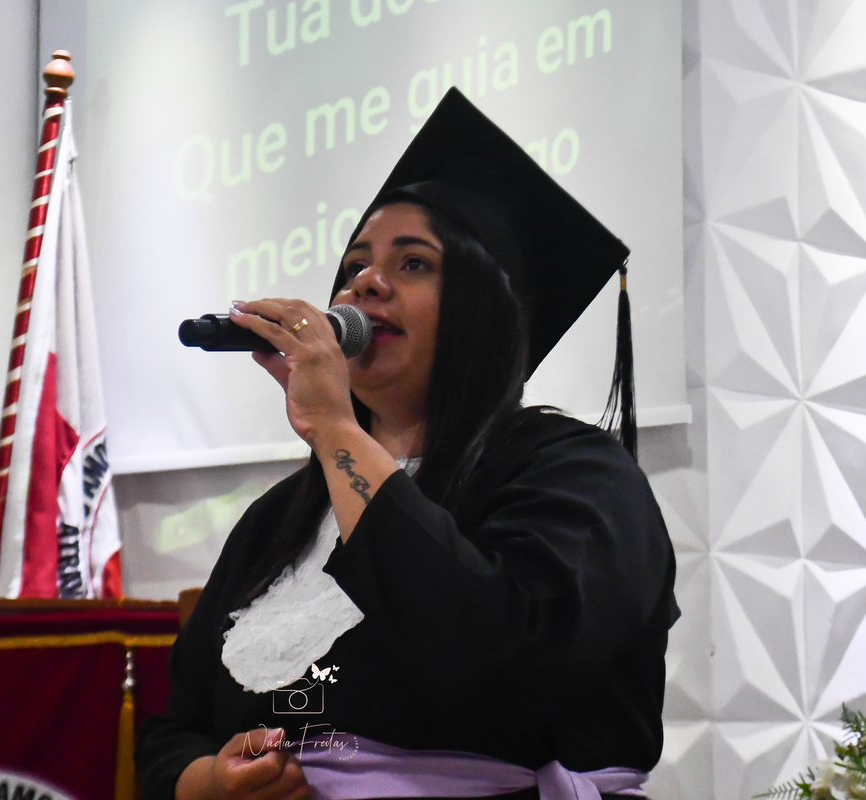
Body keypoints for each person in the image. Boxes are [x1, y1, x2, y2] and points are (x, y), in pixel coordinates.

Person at [136, 88, 679, 800]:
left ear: (490, 309)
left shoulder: (575, 474)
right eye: (355, 263)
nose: (367, 281)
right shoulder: (281, 517)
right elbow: (176, 728)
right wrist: (209, 781)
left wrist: (335, 428)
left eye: (413, 263)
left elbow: (500, 659)